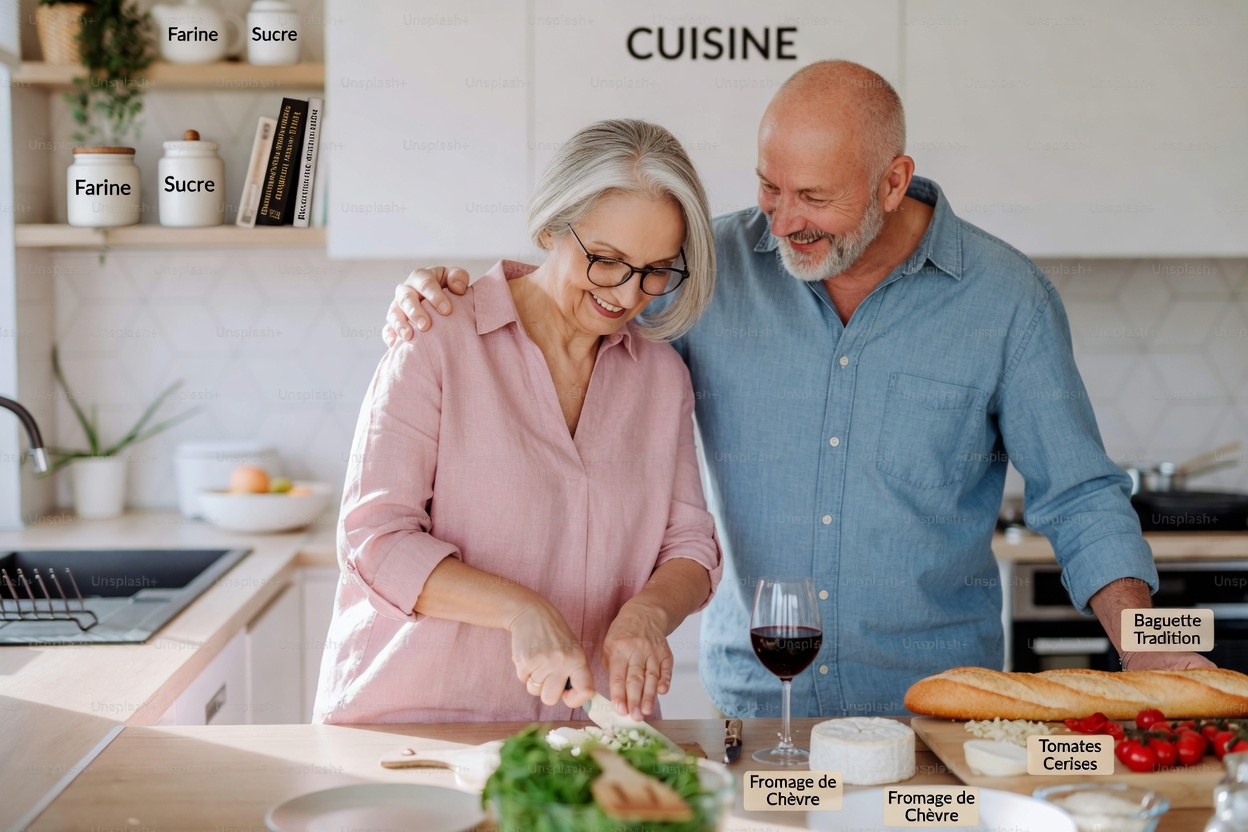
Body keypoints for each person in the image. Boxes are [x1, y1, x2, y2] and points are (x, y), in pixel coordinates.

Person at [380, 61, 1213, 719]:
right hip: (758, 707)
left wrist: (1151, 645)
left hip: (936, 711)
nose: (780, 224)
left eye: (814, 198)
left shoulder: (1006, 301)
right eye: (769, 188)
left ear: (893, 183)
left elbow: (1081, 497)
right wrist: (445, 291)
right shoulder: (708, 271)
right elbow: (587, 287)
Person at [313, 119, 722, 724]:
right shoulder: (436, 337)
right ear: (550, 226)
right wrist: (518, 609)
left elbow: (689, 545)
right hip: (419, 731)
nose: (629, 294)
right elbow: (375, 541)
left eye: (656, 269)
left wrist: (649, 614)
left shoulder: (660, 377)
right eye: (606, 260)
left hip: (588, 736)